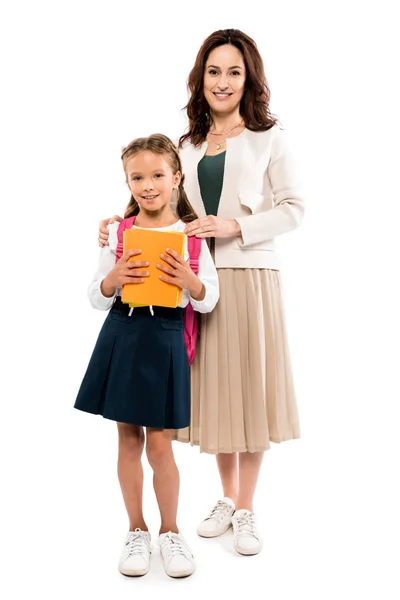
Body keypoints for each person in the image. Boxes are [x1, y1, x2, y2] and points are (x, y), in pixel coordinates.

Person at [98, 29, 304, 557]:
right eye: (214, 70)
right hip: (193, 281)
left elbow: (295, 208)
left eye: (234, 71)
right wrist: (115, 227)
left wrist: (232, 226)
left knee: (251, 389)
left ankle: (248, 509)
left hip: (251, 273)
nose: (223, 81)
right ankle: (226, 497)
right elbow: (160, 202)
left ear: (249, 78)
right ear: (201, 77)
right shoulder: (186, 143)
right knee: (215, 391)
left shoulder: (270, 136)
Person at [75, 134, 219, 578]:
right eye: (137, 177)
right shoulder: (119, 231)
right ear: (128, 182)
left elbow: (209, 299)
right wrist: (112, 277)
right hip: (123, 331)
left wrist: (190, 281)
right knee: (128, 438)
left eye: (158, 175)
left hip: (166, 336)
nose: (148, 184)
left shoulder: (190, 237)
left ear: (176, 178)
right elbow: (96, 297)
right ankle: (136, 529)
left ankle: (170, 532)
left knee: (160, 444)